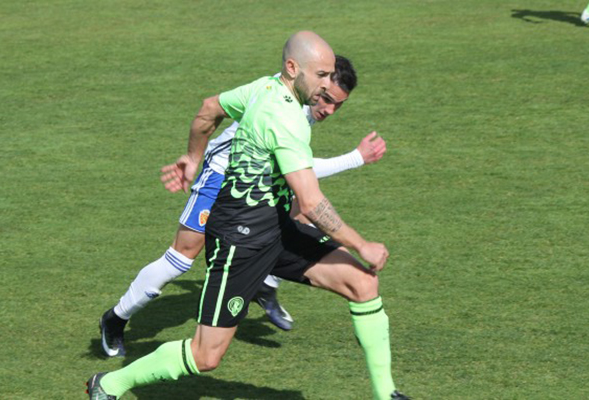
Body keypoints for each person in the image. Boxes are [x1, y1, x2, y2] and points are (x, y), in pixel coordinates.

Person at [87, 31, 409, 400]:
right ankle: (109, 384)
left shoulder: (265, 87)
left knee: (363, 284)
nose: (325, 87)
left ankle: (387, 395)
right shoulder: (285, 118)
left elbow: (209, 108)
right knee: (205, 354)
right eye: (321, 76)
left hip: (274, 227)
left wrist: (192, 156)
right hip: (239, 239)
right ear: (293, 67)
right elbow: (310, 201)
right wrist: (361, 244)